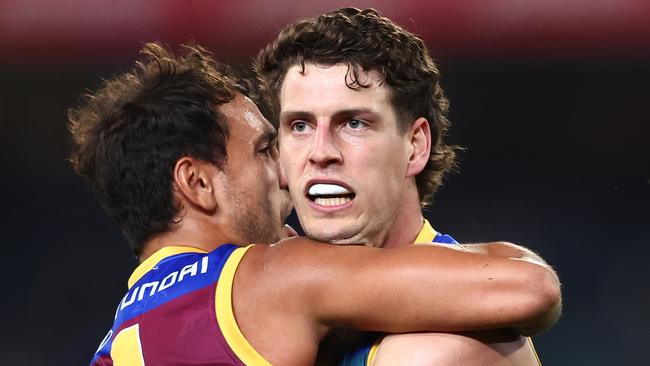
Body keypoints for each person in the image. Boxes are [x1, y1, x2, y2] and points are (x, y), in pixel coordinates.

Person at [71, 42, 560, 366]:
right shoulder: (266, 275)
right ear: (197, 183)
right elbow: (527, 287)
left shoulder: (118, 336)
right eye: (265, 150)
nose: (288, 171)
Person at [255, 7, 560, 365]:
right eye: (300, 126)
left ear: (415, 146)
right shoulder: (278, 299)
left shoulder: (443, 346)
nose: (320, 153)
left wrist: (299, 278)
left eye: (354, 123)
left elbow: (535, 288)